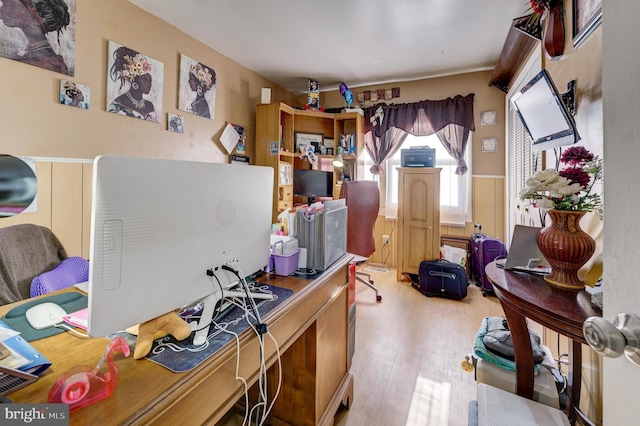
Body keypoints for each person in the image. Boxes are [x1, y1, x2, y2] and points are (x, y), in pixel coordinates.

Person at [0, 0, 70, 74]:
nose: (1, 10)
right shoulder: (40, 58)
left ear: (31, 9)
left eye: (8, 4)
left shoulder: (47, 64)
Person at [108, 45, 158, 122]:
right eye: (144, 79)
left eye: (150, 81)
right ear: (134, 80)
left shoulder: (149, 106)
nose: (148, 84)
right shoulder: (120, 102)